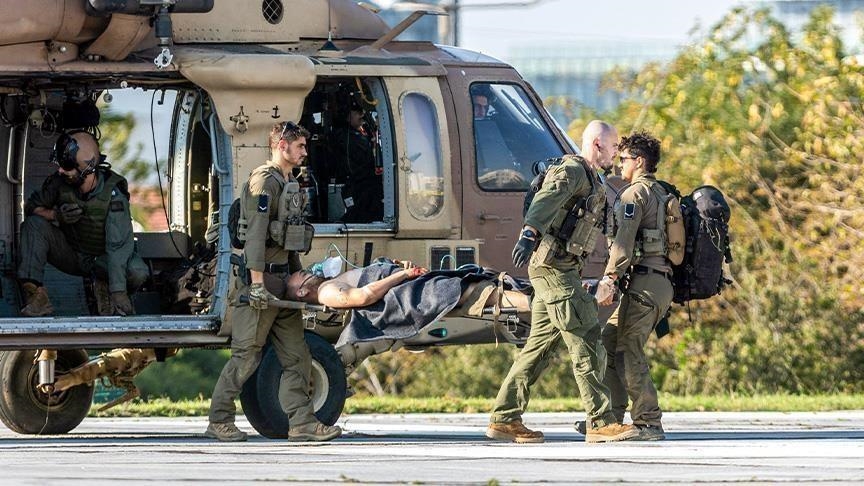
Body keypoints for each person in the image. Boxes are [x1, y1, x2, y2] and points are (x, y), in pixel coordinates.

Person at [486, 120, 639, 444]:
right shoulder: (572, 170)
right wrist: (529, 234)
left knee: (538, 349)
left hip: (559, 269)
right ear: (597, 144)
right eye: (613, 147)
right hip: (554, 269)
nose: (615, 153)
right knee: (587, 339)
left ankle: (505, 418)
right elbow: (547, 199)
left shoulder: (591, 179)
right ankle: (601, 421)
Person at [206, 121, 342, 443]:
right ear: (282, 145)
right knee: (246, 355)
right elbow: (255, 237)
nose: (305, 152)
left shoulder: (288, 182)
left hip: (282, 285)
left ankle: (302, 422)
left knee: (297, 356)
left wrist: (299, 278)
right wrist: (256, 284)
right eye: (300, 146)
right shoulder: (264, 182)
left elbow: (288, 241)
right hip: (262, 284)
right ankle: (219, 419)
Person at [595, 131, 674, 441]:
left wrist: (609, 279)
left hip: (645, 285)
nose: (619, 165)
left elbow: (623, 244)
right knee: (609, 340)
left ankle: (648, 422)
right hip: (655, 284)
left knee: (629, 349)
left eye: (624, 159)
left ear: (639, 162)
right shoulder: (661, 191)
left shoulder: (634, 195)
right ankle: (611, 419)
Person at [18, 130, 147, 317]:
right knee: (33, 225)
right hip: (71, 253)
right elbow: (32, 208)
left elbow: (117, 247)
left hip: (103, 260)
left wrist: (118, 292)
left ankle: (106, 286)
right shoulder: (58, 183)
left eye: (68, 167)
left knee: (137, 271)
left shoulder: (113, 195)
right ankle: (37, 297)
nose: (61, 170)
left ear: (87, 169)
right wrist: (56, 215)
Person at [334, 104, 383, 223]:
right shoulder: (345, 136)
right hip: (356, 184)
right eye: (357, 112)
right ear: (347, 116)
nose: (362, 115)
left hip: (366, 182)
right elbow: (365, 157)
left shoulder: (363, 133)